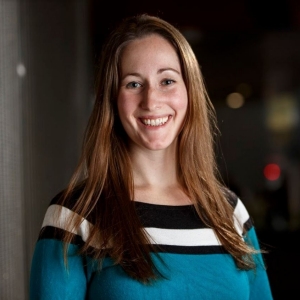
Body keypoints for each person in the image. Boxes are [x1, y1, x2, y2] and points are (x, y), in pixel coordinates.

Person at [29, 13, 273, 299]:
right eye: (133, 84)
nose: (151, 101)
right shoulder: (75, 215)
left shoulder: (229, 212)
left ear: (189, 91)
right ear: (112, 99)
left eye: (167, 81)